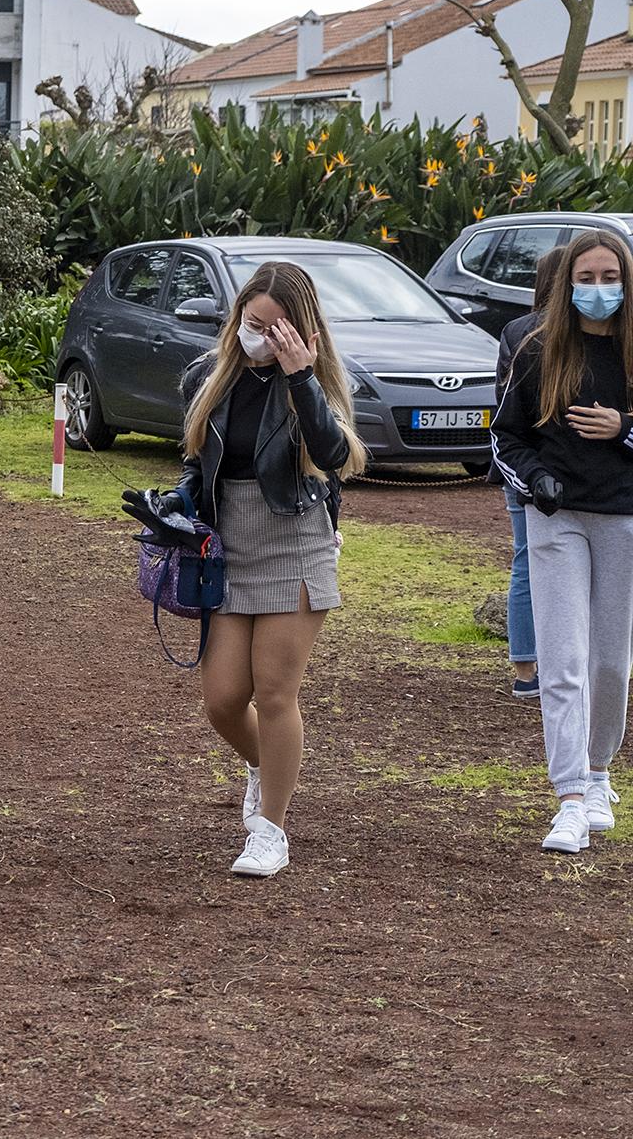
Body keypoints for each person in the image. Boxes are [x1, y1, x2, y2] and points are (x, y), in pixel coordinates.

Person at [164, 261, 365, 879]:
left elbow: (334, 455)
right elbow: (200, 464)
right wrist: (173, 503)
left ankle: (271, 830)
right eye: (256, 324)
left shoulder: (318, 380)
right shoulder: (213, 376)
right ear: (237, 317)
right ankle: (265, 766)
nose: (264, 338)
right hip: (230, 543)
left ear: (302, 332)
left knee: (274, 692)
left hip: (295, 541)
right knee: (224, 701)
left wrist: (298, 374)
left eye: (280, 330)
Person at [491, 228, 633, 855]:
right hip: (557, 517)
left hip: (624, 518)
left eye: (609, 277)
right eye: (586, 278)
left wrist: (623, 428)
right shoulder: (537, 346)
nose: (598, 290)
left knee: (610, 660)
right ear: (566, 283)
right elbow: (504, 435)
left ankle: (600, 771)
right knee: (564, 657)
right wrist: (536, 482)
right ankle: (570, 794)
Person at [493, 246, 567, 702]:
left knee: (526, 562)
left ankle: (526, 668)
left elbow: (503, 402)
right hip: (536, 464)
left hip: (519, 464)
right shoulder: (532, 334)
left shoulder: (515, 330)